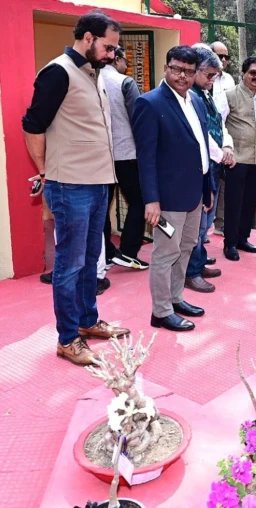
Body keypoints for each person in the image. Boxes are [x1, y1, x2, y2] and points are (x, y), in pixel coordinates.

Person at [22, 10, 130, 366]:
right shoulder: (58, 72)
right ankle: (67, 338)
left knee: (88, 261)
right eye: (109, 46)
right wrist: (45, 171)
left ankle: (87, 322)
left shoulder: (93, 73)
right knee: (69, 265)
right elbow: (32, 124)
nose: (113, 54)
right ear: (88, 38)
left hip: (98, 182)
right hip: (69, 186)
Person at [133, 46, 214, 332]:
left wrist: (208, 187)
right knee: (165, 253)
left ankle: (177, 298)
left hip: (194, 194)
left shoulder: (197, 101)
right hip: (167, 199)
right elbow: (145, 157)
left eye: (189, 71)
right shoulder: (150, 104)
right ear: (166, 67)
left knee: (187, 248)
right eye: (177, 69)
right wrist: (151, 200)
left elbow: (202, 147)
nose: (182, 76)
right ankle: (161, 311)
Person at [184, 44, 235, 293]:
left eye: (215, 75)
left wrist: (227, 146)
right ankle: (191, 271)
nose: (213, 80)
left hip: (214, 165)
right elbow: (200, 134)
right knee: (197, 223)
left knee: (205, 222)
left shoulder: (205, 93)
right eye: (209, 75)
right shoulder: (189, 96)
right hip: (201, 166)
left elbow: (219, 124)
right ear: (196, 70)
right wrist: (222, 154)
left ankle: (199, 261)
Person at [102, 46, 148, 270]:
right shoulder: (125, 82)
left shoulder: (91, 80)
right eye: (125, 61)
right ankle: (129, 252)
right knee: (140, 202)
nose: (126, 65)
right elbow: (138, 120)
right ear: (117, 59)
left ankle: (107, 252)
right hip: (127, 153)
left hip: (100, 155)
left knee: (102, 206)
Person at [220, 56, 256, 261]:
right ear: (243, 73)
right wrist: (225, 148)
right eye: (252, 72)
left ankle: (242, 238)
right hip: (236, 160)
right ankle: (229, 243)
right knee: (233, 202)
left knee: (250, 201)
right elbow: (219, 124)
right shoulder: (229, 95)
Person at [211, 41, 236, 237]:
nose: (224, 60)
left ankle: (219, 223)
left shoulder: (228, 80)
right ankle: (201, 231)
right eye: (220, 56)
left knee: (223, 183)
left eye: (226, 56)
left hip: (224, 137)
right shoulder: (201, 79)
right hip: (204, 139)